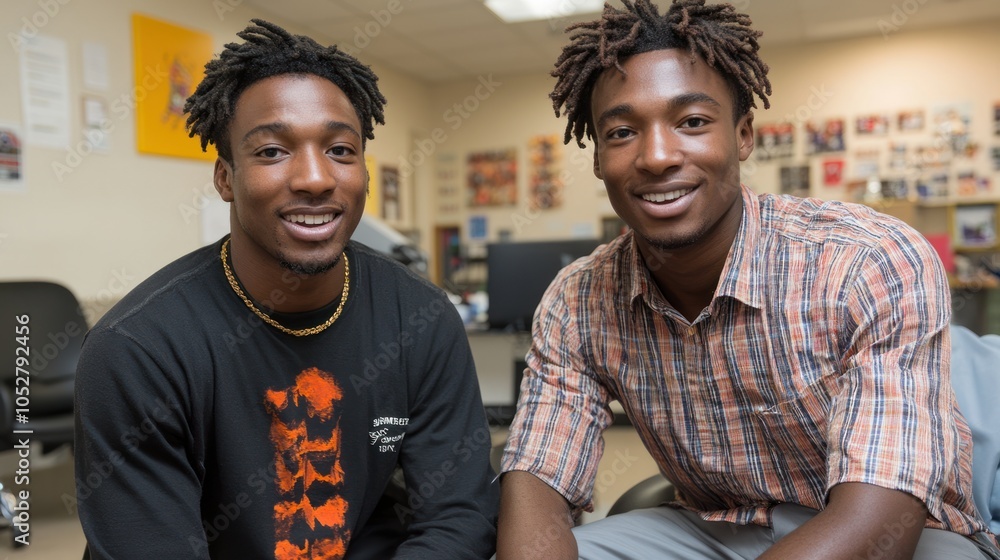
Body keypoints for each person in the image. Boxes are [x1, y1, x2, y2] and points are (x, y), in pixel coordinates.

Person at [496, 1, 1000, 559]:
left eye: (692, 122)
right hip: (708, 528)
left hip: (897, 530)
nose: (657, 156)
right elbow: (538, 478)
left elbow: (881, 516)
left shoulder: (867, 259)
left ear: (743, 136)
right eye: (621, 132)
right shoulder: (577, 298)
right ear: (596, 159)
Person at [74, 19, 497, 559]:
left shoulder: (420, 317)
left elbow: (459, 518)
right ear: (225, 176)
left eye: (341, 150)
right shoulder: (137, 351)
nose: (316, 178)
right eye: (273, 151)